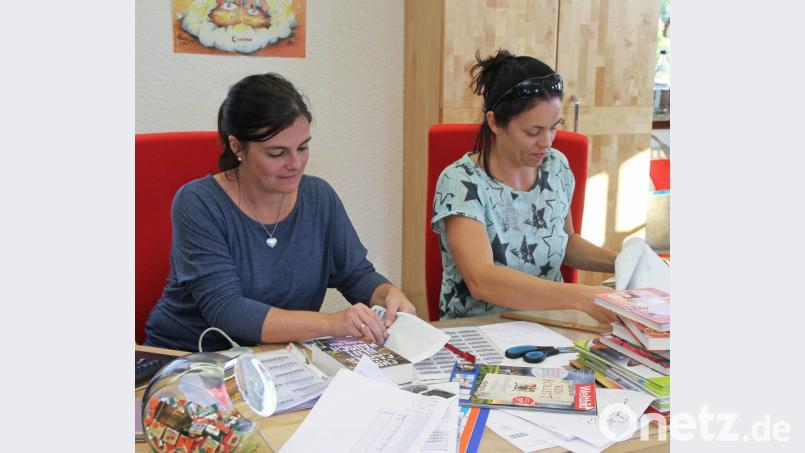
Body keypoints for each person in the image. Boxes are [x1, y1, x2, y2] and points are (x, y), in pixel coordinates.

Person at [145, 73, 416, 352]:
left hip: (276, 358)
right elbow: (228, 311)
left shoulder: (320, 197)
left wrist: (386, 294)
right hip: (191, 357)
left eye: (303, 147)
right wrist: (333, 323)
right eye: (277, 153)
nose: (296, 163)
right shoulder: (198, 202)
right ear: (237, 146)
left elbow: (355, 275)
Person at [431, 49, 618, 322]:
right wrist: (583, 297)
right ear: (494, 122)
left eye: (554, 127)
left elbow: (564, 243)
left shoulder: (556, 166)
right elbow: (482, 280)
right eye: (533, 132)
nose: (548, 142)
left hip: (551, 323)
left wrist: (621, 262)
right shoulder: (461, 182)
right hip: (479, 331)